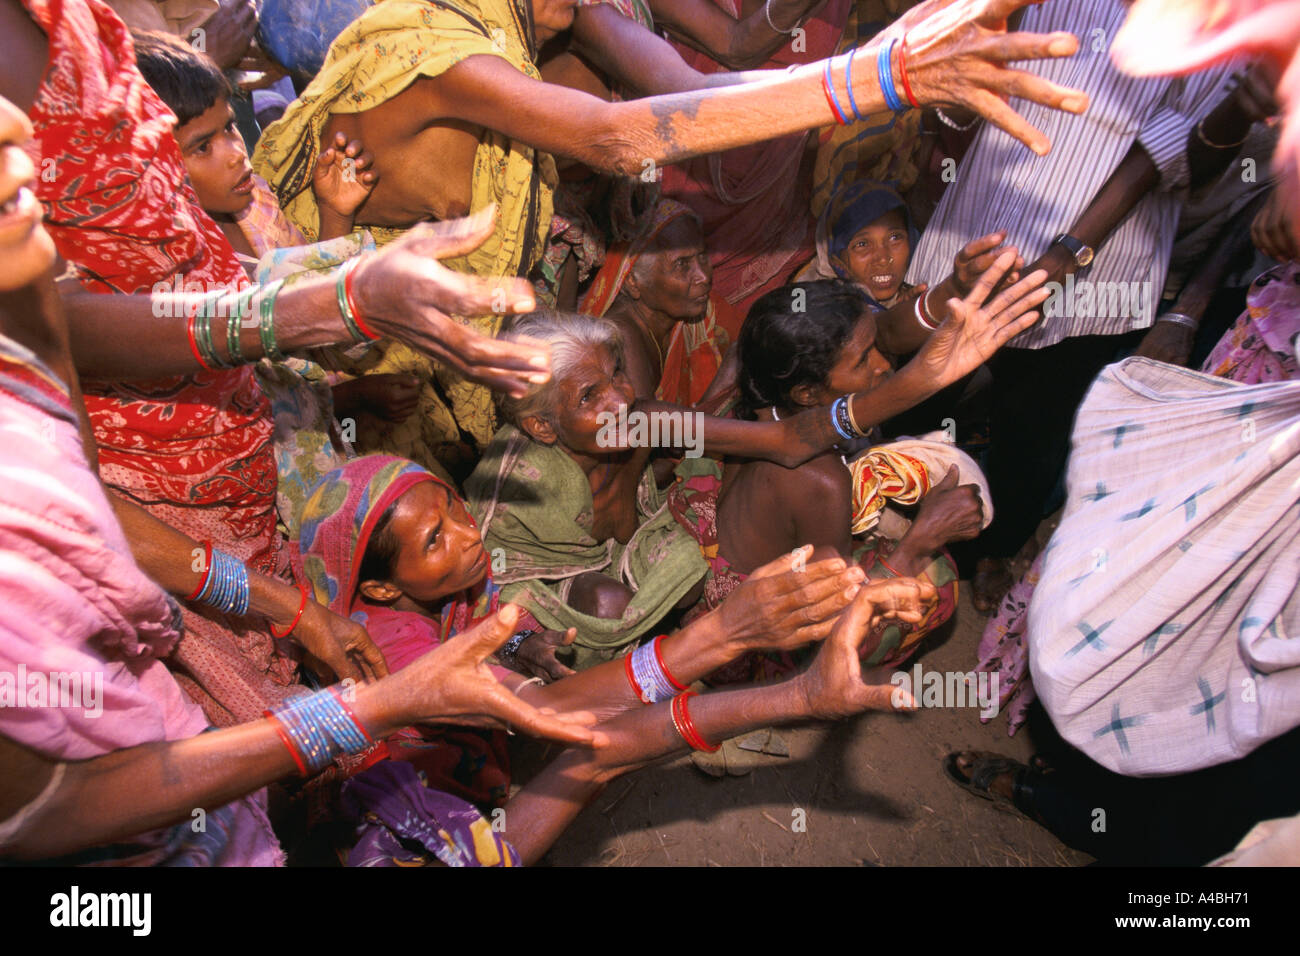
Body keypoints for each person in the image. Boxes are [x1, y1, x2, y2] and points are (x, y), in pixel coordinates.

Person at [252, 0, 1090, 464]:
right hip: (356, 356)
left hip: (459, 341)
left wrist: (872, 68)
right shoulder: (439, 50)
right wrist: (877, 76)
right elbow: (619, 137)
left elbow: (685, 85)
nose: (587, 8)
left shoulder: (542, 17)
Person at [904, 0, 1237, 612]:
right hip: (989, 203)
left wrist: (1066, 255)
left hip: (1101, 259)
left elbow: (1178, 146)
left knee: (1033, 423)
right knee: (926, 383)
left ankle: (987, 547)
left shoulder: (1227, 13)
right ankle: (894, 523)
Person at [669, 279, 987, 682]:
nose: (883, 365)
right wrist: (922, 537)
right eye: (862, 360)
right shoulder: (821, 480)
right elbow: (838, 613)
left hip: (725, 569)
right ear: (807, 393)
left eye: (876, 346)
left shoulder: (760, 401)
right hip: (737, 645)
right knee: (938, 579)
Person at [580, 199, 735, 406]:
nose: (703, 276)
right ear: (633, 282)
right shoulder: (621, 335)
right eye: (682, 264)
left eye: (703, 257)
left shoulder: (700, 308)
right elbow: (647, 434)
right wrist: (725, 382)